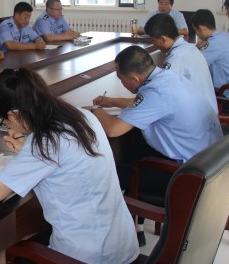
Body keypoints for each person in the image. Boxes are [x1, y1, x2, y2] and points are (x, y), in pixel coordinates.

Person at [0, 68, 138, 264]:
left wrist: (28, 152)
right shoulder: (82, 116)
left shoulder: (44, 143)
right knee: (29, 236)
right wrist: (27, 151)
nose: (7, 125)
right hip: (122, 245)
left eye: (4, 120)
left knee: (3, 261)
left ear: (15, 114)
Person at [89, 45, 222, 190]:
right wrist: (111, 101)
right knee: (135, 144)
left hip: (188, 172)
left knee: (111, 176)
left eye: (121, 79)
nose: (121, 83)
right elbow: (146, 105)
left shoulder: (156, 92)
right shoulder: (168, 77)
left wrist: (94, 110)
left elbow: (113, 130)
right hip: (209, 157)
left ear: (135, 78)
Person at [144, 13, 218, 114]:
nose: (154, 44)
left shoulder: (177, 57)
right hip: (206, 111)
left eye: (154, 41)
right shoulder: (188, 47)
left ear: (163, 39)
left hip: (198, 116)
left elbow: (161, 90)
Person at [191, 9, 229, 99]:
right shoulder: (226, 36)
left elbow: (194, 64)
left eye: (195, 31)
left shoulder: (214, 43)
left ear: (201, 28)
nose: (197, 35)